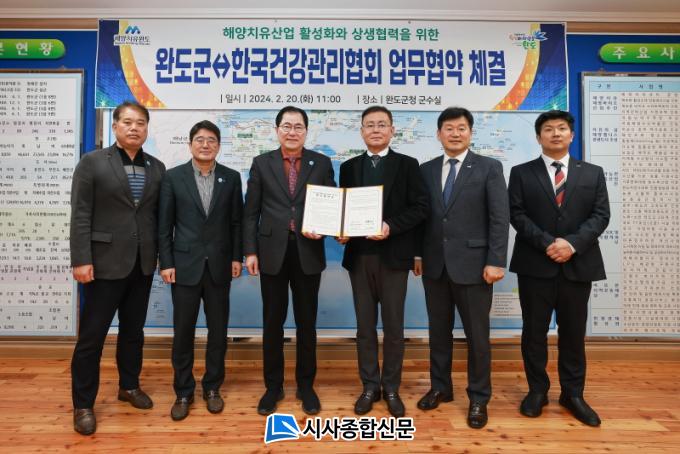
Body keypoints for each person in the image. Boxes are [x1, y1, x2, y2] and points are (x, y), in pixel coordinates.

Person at [70, 101, 166, 435]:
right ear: (115, 127)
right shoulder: (93, 162)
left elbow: (155, 216)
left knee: (133, 332)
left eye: (140, 123)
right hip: (102, 264)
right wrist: (81, 259)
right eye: (127, 122)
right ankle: (83, 404)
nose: (134, 128)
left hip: (142, 264)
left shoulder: (157, 167)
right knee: (92, 337)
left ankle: (129, 386)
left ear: (147, 128)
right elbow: (80, 213)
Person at [508, 110, 610, 427]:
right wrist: (548, 243)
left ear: (571, 135)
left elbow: (601, 215)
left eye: (562, 128)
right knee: (534, 332)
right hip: (535, 265)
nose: (555, 133)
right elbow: (517, 214)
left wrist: (571, 244)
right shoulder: (521, 172)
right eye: (549, 129)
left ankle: (573, 394)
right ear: (538, 137)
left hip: (578, 264)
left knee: (573, 333)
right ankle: (537, 391)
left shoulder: (592, 173)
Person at [415, 107, 509, 429]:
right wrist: (418, 255)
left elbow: (500, 218)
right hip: (435, 266)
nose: (455, 134)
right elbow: (423, 218)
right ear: (438, 133)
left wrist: (496, 260)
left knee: (477, 337)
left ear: (470, 133)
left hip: (475, 266)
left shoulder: (489, 167)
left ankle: (479, 397)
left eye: (461, 128)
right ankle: (440, 387)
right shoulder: (426, 169)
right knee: (438, 333)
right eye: (449, 128)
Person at [243, 106, 335, 416]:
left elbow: (331, 205)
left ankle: (306, 386)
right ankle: (273, 387)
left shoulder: (320, 163)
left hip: (308, 251)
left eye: (298, 126)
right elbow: (250, 212)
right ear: (277, 130)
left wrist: (327, 227)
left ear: (306, 131)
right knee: (272, 323)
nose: (292, 131)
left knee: (307, 323)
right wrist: (250, 251)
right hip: (271, 253)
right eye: (286, 126)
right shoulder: (262, 163)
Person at [338, 106, 428, 418]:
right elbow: (342, 208)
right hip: (359, 258)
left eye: (382, 125)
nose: (376, 130)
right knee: (364, 327)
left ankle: (391, 387)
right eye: (370, 125)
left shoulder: (408, 164)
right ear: (361, 131)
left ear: (392, 130)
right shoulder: (349, 167)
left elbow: (420, 208)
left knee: (393, 327)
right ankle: (369, 386)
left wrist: (390, 226)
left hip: (393, 258)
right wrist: (341, 230)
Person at [158, 120, 243, 421]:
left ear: (218, 145)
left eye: (211, 140)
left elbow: (236, 222)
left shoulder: (231, 178)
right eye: (200, 140)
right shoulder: (173, 177)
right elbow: (164, 225)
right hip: (184, 267)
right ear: (190, 144)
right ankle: (183, 391)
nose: (205, 145)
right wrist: (166, 262)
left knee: (218, 332)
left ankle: (212, 387)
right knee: (183, 332)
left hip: (220, 266)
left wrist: (236, 257)